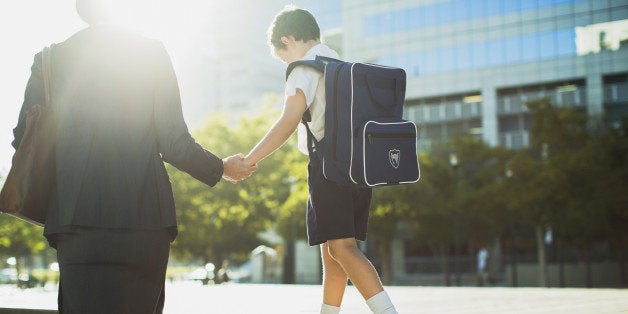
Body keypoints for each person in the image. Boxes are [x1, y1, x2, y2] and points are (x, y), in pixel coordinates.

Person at [11, 0, 256, 312]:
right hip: (144, 218)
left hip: (75, 218)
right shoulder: (150, 52)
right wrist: (220, 167)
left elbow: (25, 137)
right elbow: (174, 141)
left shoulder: (49, 59)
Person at [244, 6, 398, 314]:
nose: (285, 63)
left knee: (343, 247)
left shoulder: (304, 68)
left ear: (287, 41)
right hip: (357, 167)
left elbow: (289, 121)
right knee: (333, 250)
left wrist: (249, 160)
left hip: (327, 168)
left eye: (282, 56)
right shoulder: (340, 63)